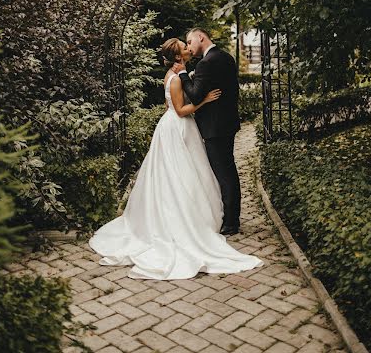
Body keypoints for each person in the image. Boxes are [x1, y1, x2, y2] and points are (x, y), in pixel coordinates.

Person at [89, 37, 263, 280]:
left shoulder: (174, 74)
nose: (188, 48)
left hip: (174, 125)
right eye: (184, 47)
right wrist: (204, 100)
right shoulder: (175, 78)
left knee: (185, 171)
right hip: (179, 125)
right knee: (180, 173)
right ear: (178, 56)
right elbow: (180, 110)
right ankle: (186, 218)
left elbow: (168, 105)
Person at [172, 27, 242, 236]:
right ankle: (231, 217)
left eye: (190, 42)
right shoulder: (226, 57)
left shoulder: (206, 63)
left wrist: (184, 75)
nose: (190, 47)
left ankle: (230, 223)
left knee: (224, 173)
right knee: (228, 170)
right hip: (227, 123)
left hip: (214, 127)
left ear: (200, 37)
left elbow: (194, 95)